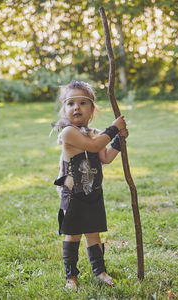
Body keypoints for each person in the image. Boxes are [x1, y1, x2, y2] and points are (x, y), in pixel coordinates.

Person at [52, 80, 128, 291]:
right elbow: (94, 146)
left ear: (92, 110)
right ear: (64, 109)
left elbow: (104, 156)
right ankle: (71, 276)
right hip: (73, 194)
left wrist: (117, 142)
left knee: (93, 232)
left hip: (93, 192)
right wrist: (114, 128)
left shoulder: (94, 133)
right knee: (74, 234)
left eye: (83, 103)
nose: (76, 107)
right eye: (71, 103)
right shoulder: (68, 133)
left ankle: (99, 271)